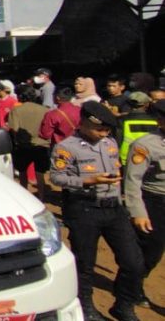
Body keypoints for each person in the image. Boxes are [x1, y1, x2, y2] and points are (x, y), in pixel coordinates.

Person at [50, 101, 144, 321]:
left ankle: (124, 304)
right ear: (83, 123)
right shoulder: (66, 147)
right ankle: (86, 307)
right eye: (100, 129)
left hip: (113, 208)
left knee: (133, 261)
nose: (104, 134)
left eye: (107, 130)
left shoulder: (109, 143)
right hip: (84, 209)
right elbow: (56, 177)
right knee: (85, 264)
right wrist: (88, 180)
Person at [124, 99, 165, 308]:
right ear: (160, 121)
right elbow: (132, 181)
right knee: (151, 251)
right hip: (155, 202)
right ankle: (131, 289)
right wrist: (138, 212)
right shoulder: (145, 145)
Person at [8, 85, 52, 200]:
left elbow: (14, 128)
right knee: (40, 173)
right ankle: (41, 197)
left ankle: (25, 196)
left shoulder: (16, 110)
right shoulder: (44, 110)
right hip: (42, 145)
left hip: (23, 146)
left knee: (23, 173)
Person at [118, 92, 157, 165]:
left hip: (128, 159)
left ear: (129, 104)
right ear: (147, 104)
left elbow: (118, 140)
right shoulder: (156, 120)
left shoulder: (122, 120)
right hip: (151, 157)